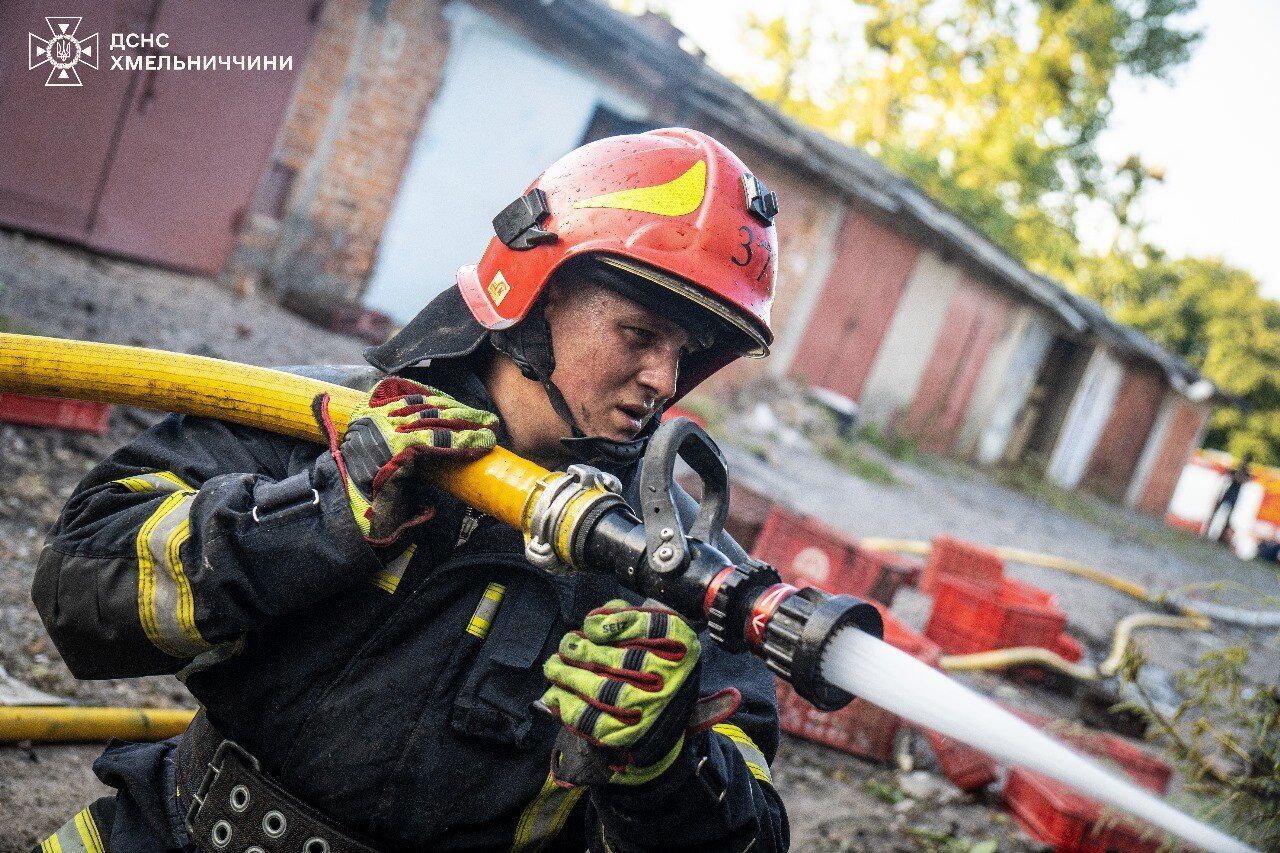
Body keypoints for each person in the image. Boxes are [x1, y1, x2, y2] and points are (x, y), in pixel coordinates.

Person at [31, 128, 787, 852]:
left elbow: (753, 833)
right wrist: (323, 515)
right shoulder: (325, 421)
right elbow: (75, 587)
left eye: (685, 353)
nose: (664, 381)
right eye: (639, 333)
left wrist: (662, 762)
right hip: (178, 829)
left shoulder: (679, 572)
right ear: (543, 292)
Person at [1209, 452, 1253, 544]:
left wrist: (1238, 477)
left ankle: (1222, 536)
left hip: (1233, 494)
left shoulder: (1244, 471)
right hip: (1230, 493)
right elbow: (1231, 475)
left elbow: (1243, 480)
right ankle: (1209, 531)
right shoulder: (1238, 469)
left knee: (1228, 517)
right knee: (1217, 512)